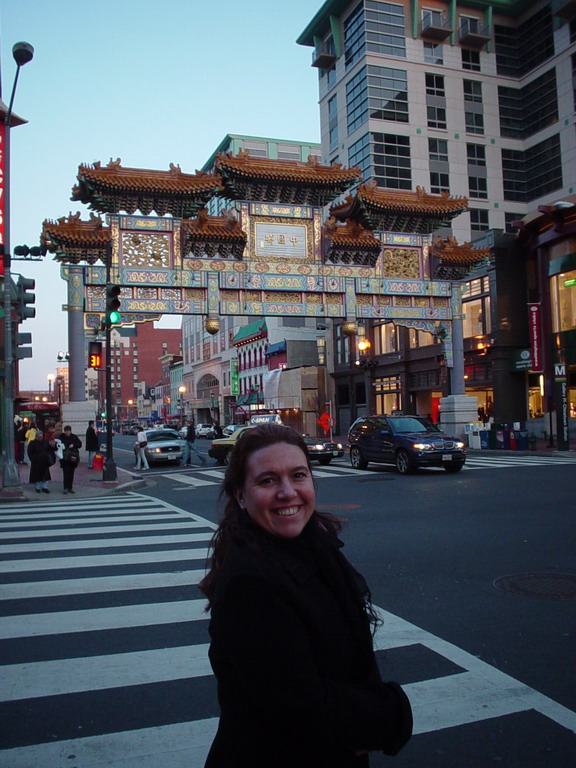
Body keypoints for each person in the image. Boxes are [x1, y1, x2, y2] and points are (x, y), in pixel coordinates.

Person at [200, 424, 412, 767]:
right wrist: (390, 715)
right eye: (267, 481)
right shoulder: (251, 584)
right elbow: (300, 703)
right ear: (241, 496)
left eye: (298, 475)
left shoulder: (313, 547)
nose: (288, 492)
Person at [59, 425, 82, 494]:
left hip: (72, 458)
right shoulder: (61, 437)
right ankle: (65, 487)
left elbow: (80, 444)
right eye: (66, 431)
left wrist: (73, 445)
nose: (67, 433)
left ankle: (70, 487)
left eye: (68, 431)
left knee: (71, 473)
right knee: (66, 473)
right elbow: (58, 444)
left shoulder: (74, 437)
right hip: (65, 458)